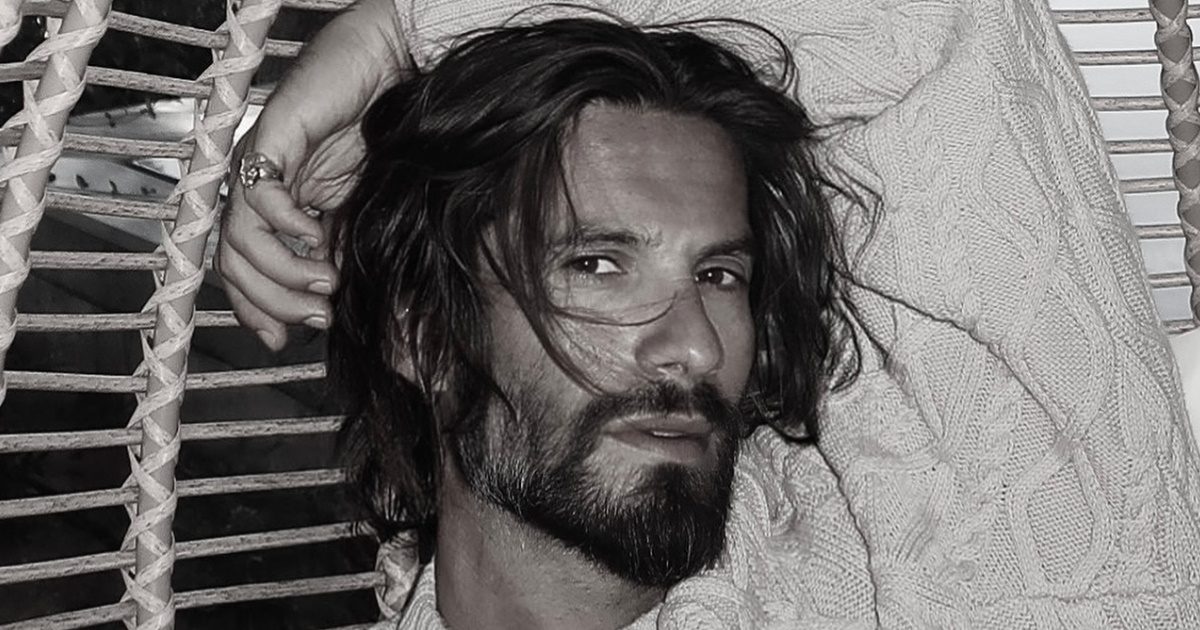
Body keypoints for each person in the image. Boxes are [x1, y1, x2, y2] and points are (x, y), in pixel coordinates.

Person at [218, 0, 1200, 627]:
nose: (693, 343)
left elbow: (958, 28)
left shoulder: (1001, 565)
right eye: (599, 264)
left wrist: (401, 30)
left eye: (721, 275)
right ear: (426, 334)